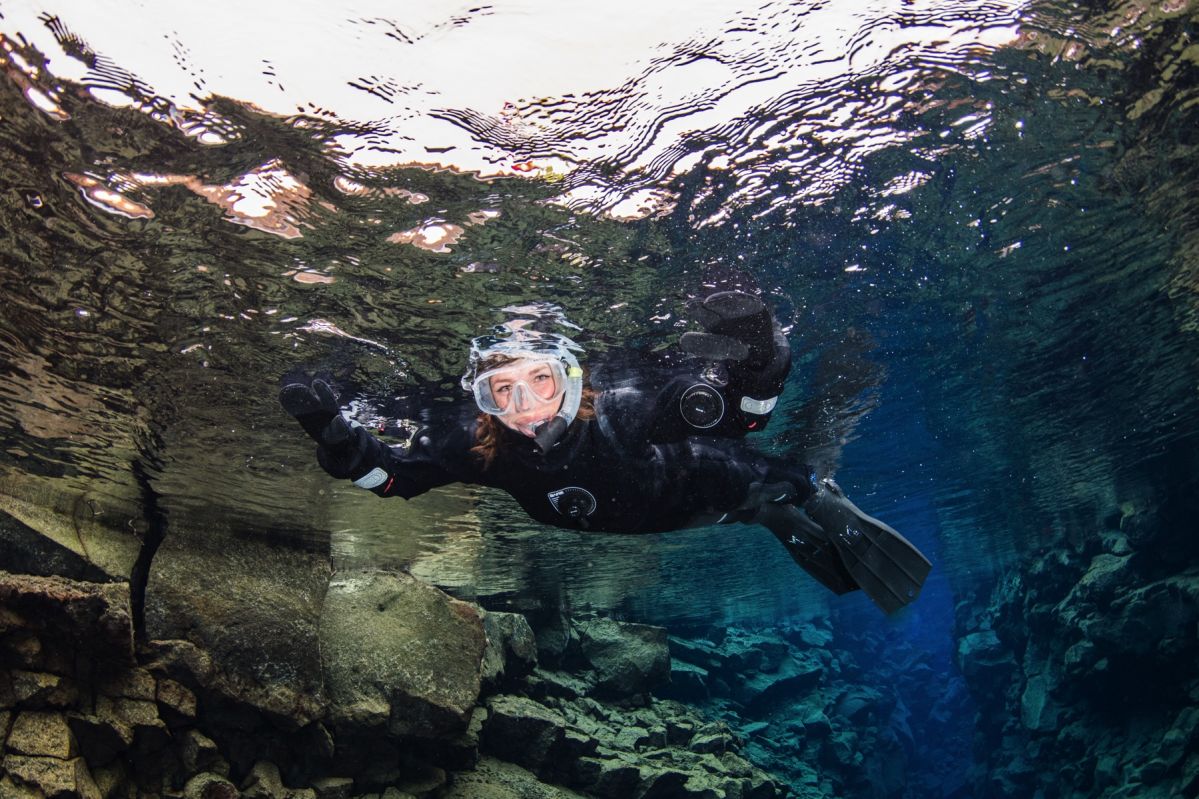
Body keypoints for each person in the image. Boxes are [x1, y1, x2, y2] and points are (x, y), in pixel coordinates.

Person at [280, 292, 931, 614]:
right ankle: (779, 513)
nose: (526, 405)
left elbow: (736, 423)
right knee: (742, 478)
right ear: (481, 398)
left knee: (734, 455)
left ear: (569, 374)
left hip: (706, 497)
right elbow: (392, 481)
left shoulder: (624, 401)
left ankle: (800, 502)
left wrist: (762, 355)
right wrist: (338, 439)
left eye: (539, 380)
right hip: (648, 512)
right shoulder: (474, 443)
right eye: (500, 391)